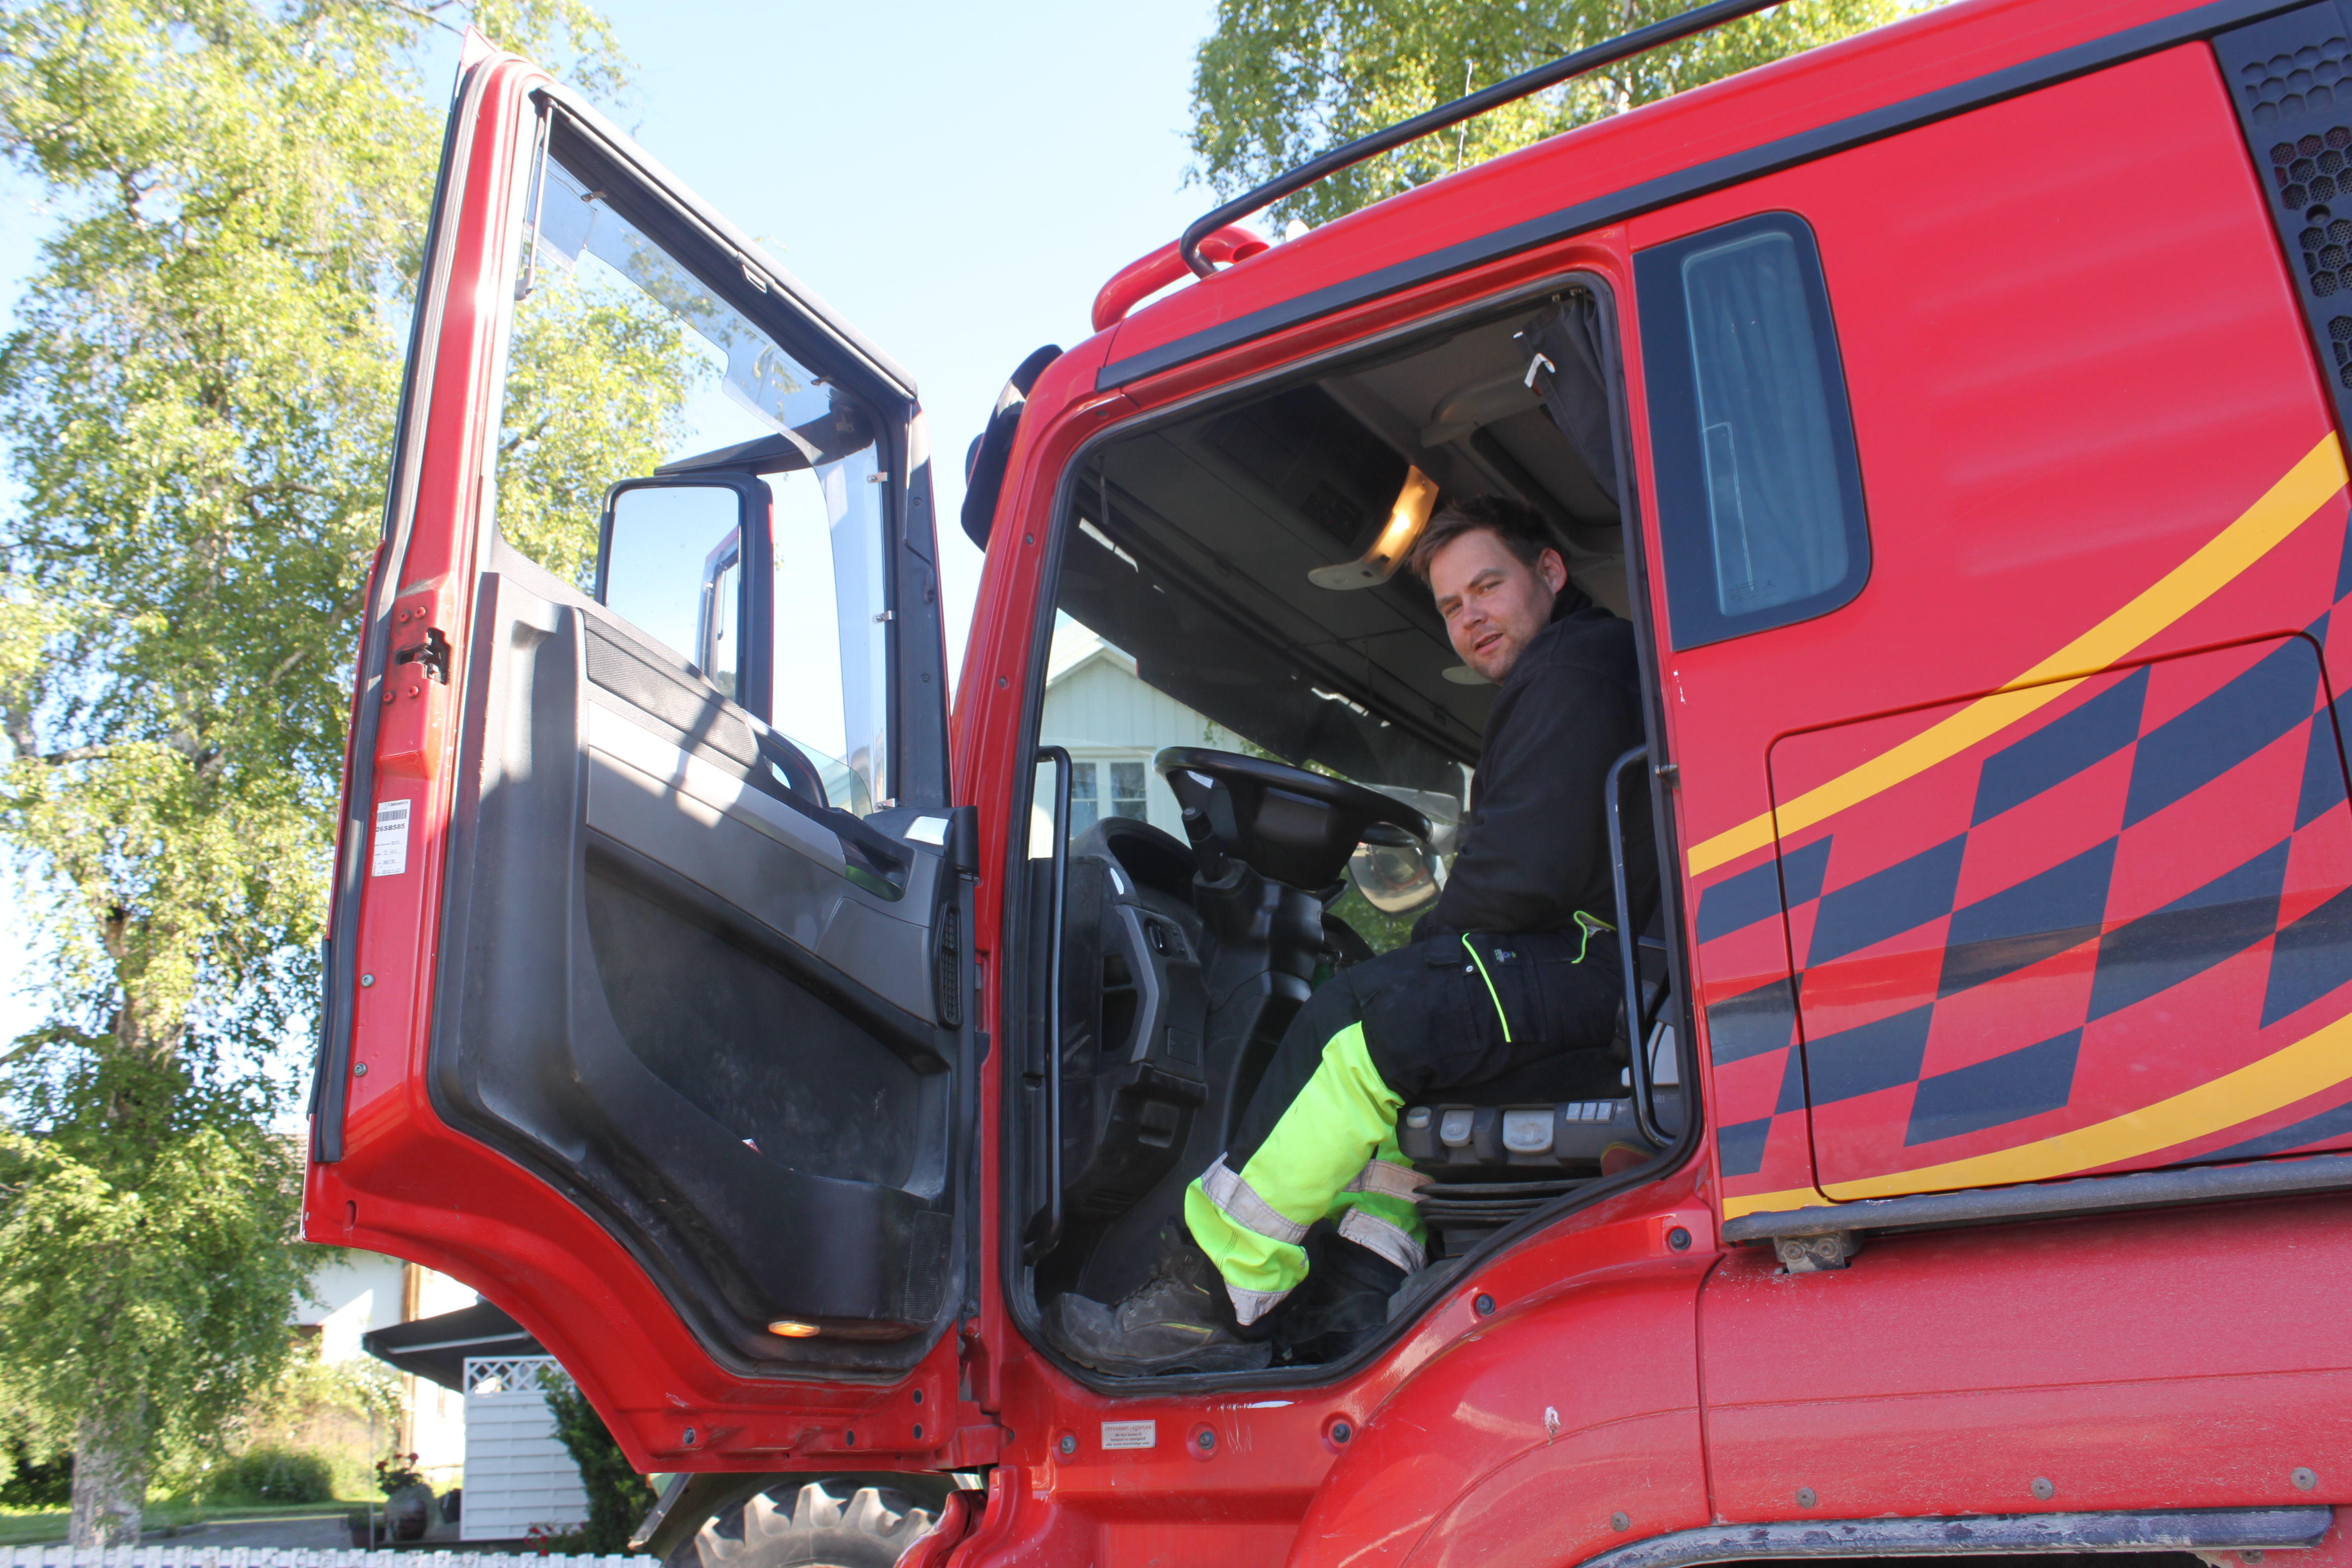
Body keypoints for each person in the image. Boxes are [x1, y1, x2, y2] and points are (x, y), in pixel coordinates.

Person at [1052, 494, 1658, 1375]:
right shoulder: (1576, 670)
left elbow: (1522, 871)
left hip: (1620, 970)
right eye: (1452, 606)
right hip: (1622, 971)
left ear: (1551, 573)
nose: (1471, 618)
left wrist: (1422, 958)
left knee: (1364, 1022)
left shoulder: (1576, 672)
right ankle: (1354, 1300)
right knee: (1414, 1043)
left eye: (1488, 586)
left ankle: (1205, 1295)